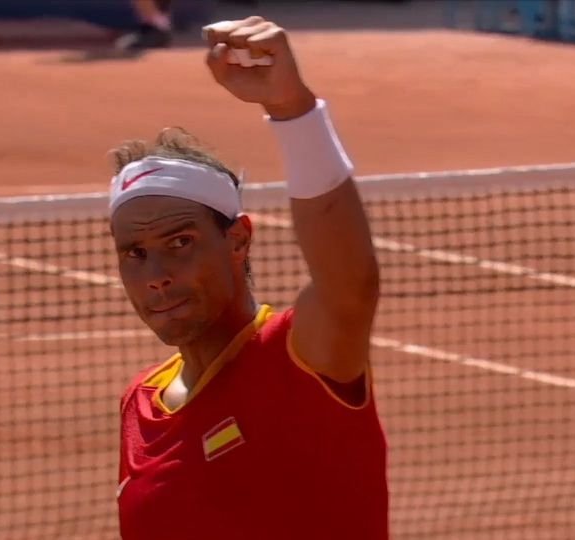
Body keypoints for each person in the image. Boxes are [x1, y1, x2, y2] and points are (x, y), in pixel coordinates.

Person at [111, 16, 388, 540]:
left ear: (238, 239)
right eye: (135, 254)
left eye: (180, 243)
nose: (157, 276)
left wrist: (292, 110)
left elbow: (349, 285)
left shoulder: (299, 359)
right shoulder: (140, 401)